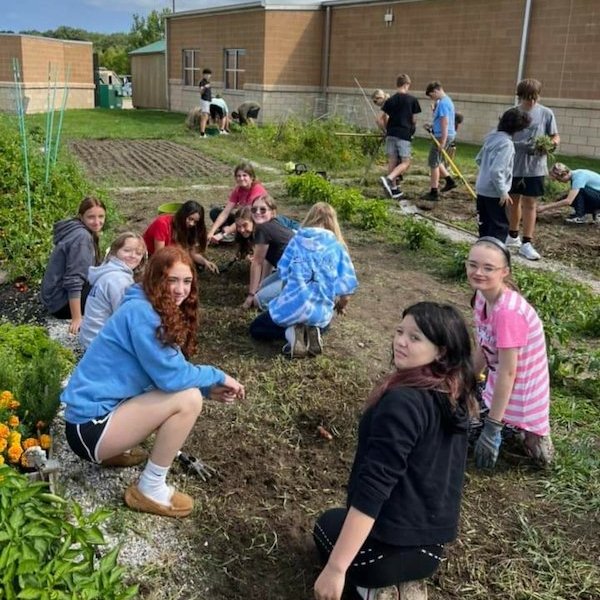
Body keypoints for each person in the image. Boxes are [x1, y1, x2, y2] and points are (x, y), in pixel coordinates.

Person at [61, 246, 245, 518]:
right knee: (188, 399)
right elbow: (172, 377)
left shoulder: (144, 305)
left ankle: (117, 450)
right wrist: (216, 376)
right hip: (90, 429)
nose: (181, 290)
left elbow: (164, 371)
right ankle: (149, 488)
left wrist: (208, 387)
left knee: (190, 390)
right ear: (156, 278)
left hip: (91, 421)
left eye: (187, 281)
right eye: (172, 280)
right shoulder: (143, 314)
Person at [313, 302, 477, 600]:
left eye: (415, 338)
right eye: (400, 331)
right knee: (341, 520)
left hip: (386, 550)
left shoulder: (402, 403)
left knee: (326, 525)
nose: (401, 341)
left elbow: (374, 488)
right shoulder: (454, 394)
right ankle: (404, 585)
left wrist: (336, 568)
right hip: (431, 550)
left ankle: (370, 590)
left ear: (440, 350)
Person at [466, 237, 553, 470]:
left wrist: (493, 427)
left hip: (519, 395)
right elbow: (484, 348)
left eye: (488, 268)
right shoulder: (481, 298)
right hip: (498, 383)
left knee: (462, 430)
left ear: (504, 272)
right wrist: (466, 381)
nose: (478, 272)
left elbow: (509, 372)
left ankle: (523, 431)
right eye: (472, 264)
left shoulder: (508, 313)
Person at [249, 202, 358, 358]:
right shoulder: (338, 247)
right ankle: (311, 331)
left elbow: (284, 273)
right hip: (319, 313)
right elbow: (347, 290)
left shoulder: (296, 241)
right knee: (324, 323)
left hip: (291, 307)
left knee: (256, 328)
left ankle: (291, 331)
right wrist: (340, 305)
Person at [506, 78, 560, 260]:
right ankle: (512, 235)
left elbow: (554, 136)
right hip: (514, 166)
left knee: (530, 204)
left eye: (534, 97)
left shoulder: (546, 113)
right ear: (520, 96)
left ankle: (527, 242)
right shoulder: (512, 114)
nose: (532, 101)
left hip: (535, 168)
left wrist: (550, 144)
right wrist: (520, 145)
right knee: (513, 202)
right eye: (528, 98)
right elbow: (504, 138)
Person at [41, 197, 106, 335]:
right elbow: (74, 280)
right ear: (81, 217)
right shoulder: (81, 238)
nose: (97, 221)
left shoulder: (78, 230)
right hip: (59, 303)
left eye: (101, 216)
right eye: (91, 217)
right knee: (109, 290)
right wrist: (76, 318)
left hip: (53, 296)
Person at [79, 232, 147, 349]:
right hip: (101, 344)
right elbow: (125, 317)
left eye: (138, 253)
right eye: (127, 250)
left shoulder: (107, 271)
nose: (133, 256)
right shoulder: (118, 279)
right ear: (115, 251)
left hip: (90, 337)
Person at [475, 108, 532, 240]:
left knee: (484, 225)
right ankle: (494, 256)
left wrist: (485, 173)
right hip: (495, 192)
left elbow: (478, 159)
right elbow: (496, 170)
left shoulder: (491, 138)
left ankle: (483, 250)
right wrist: (503, 192)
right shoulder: (506, 144)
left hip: (482, 189)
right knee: (498, 227)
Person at [237, 195, 295, 310]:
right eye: (254, 209)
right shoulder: (273, 224)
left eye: (263, 209)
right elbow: (267, 259)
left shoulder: (262, 229)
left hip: (297, 275)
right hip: (287, 271)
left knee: (258, 301)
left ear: (273, 212)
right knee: (262, 287)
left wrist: (251, 295)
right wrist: (259, 287)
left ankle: (294, 303)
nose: (257, 212)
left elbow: (257, 263)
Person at [143, 201, 219, 273]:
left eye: (195, 222)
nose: (192, 223)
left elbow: (191, 252)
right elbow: (159, 254)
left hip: (170, 254)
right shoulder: (162, 223)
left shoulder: (189, 228)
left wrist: (205, 262)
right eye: (190, 219)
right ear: (183, 215)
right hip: (151, 256)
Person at [378, 74, 421, 200]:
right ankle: (389, 179)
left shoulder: (390, 101)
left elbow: (378, 119)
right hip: (404, 134)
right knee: (406, 162)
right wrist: (412, 130)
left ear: (397, 84)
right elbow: (414, 120)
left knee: (392, 160)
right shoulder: (412, 100)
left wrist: (386, 130)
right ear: (406, 84)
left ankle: (393, 189)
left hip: (391, 134)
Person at [207, 162, 267, 243]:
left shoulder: (257, 190)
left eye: (244, 175)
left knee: (246, 222)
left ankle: (229, 234)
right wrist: (211, 232)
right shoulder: (238, 190)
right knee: (215, 212)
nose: (241, 178)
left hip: (255, 222)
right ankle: (231, 234)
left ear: (251, 177)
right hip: (243, 221)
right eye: (238, 176)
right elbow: (226, 212)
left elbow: (246, 217)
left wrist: (224, 233)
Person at [422, 81, 457, 201]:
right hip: (443, 134)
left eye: (432, 96)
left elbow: (445, 122)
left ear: (436, 91)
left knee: (433, 162)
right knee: (437, 160)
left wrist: (442, 140)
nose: (432, 98)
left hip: (442, 136)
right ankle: (449, 181)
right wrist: (431, 126)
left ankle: (434, 192)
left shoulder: (443, 103)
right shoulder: (446, 102)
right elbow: (440, 121)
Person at [198, 68, 212, 138]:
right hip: (204, 101)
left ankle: (203, 132)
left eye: (209, 74)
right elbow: (201, 92)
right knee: (204, 117)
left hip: (208, 101)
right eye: (207, 74)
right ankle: (202, 134)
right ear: (204, 75)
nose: (208, 76)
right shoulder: (202, 82)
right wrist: (205, 87)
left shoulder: (208, 82)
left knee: (206, 117)